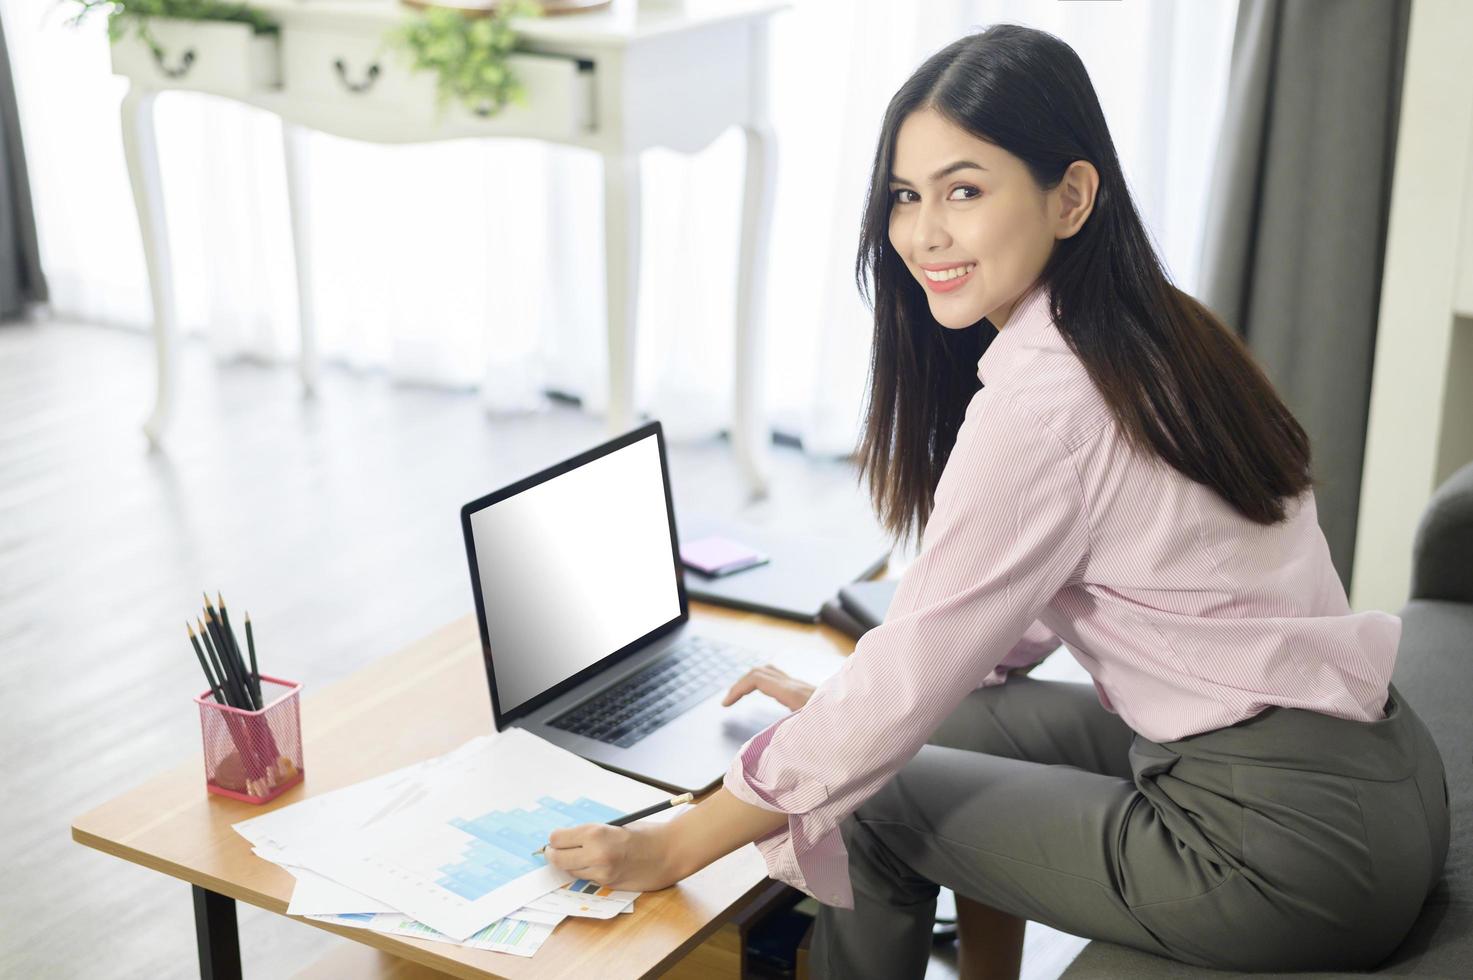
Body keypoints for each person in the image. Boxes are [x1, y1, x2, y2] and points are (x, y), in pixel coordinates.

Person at [543, 24, 1450, 979]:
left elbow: (911, 671)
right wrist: (846, 720)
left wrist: (677, 844)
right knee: (950, 724)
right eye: (905, 196)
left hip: (1286, 853)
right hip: (1381, 783)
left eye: (964, 191)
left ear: (1070, 197)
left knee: (873, 804)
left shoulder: (1046, 403)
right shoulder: (1155, 328)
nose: (922, 233)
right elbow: (960, 653)